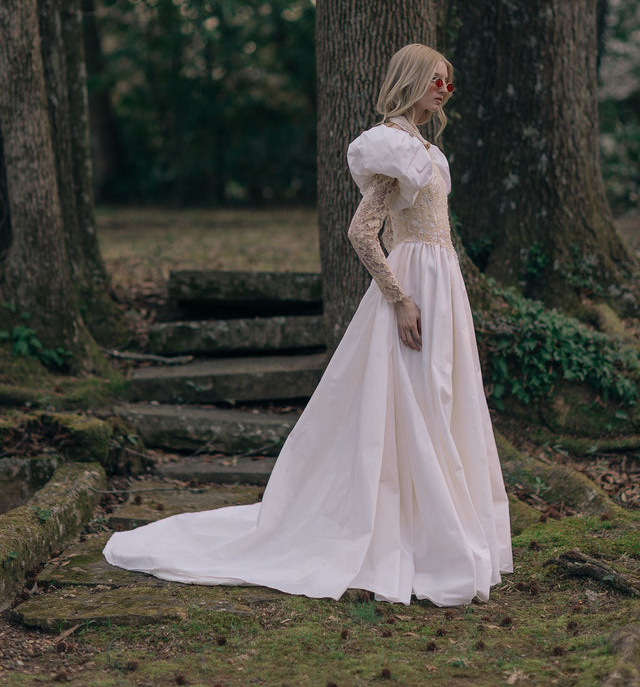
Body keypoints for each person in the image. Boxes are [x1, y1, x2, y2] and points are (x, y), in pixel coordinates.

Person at [104, 43, 512, 606]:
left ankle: (434, 527)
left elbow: (412, 227)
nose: (444, 89)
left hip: (442, 282)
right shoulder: (394, 149)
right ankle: (410, 531)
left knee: (442, 397)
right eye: (435, 80)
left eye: (449, 81)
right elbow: (362, 232)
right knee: (414, 399)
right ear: (411, 81)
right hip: (417, 286)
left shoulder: (426, 149)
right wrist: (400, 298)